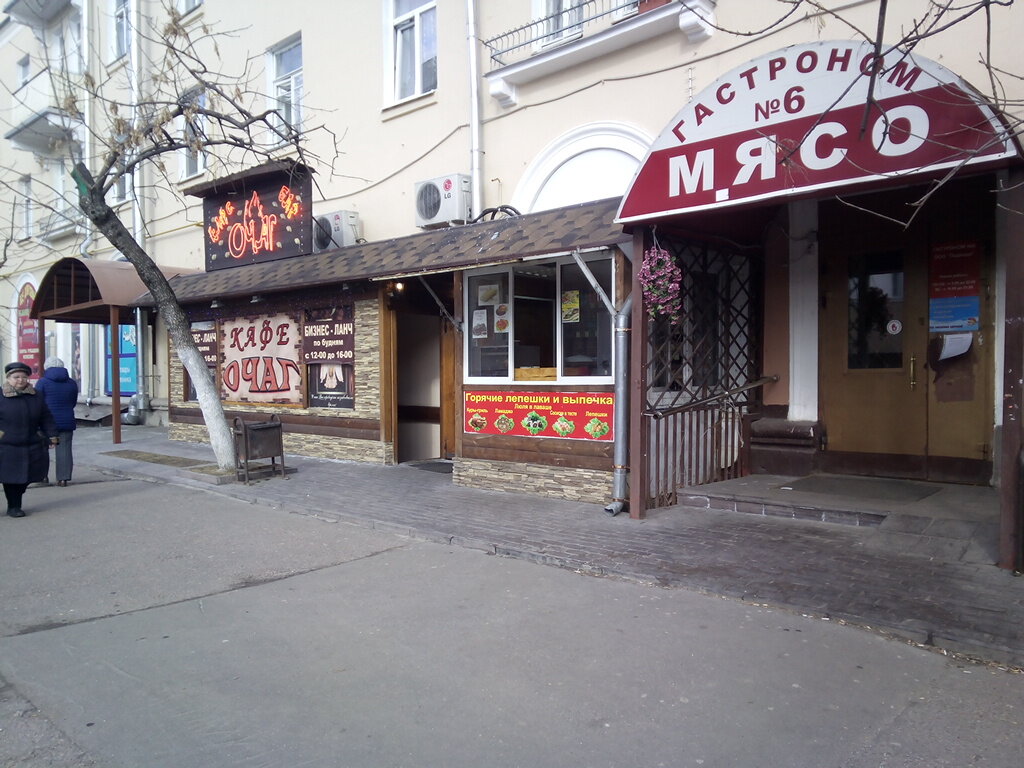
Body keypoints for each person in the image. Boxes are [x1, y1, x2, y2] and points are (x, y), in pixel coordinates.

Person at [0, 361, 58, 517]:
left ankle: (15, 500)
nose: (20, 380)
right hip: (7, 445)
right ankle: (14, 507)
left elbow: (46, 417)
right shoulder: (1, 396)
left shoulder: (35, 395)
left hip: (30, 443)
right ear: (8, 378)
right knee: (11, 478)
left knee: (26, 477)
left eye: (24, 377)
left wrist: (52, 435)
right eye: (16, 377)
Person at [35, 356, 79, 487]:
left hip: (45, 421)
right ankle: (63, 478)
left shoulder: (42, 382)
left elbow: (38, 401)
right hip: (66, 419)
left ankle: (42, 476)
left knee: (42, 448)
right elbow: (73, 401)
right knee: (64, 449)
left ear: (46, 368)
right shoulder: (72, 383)